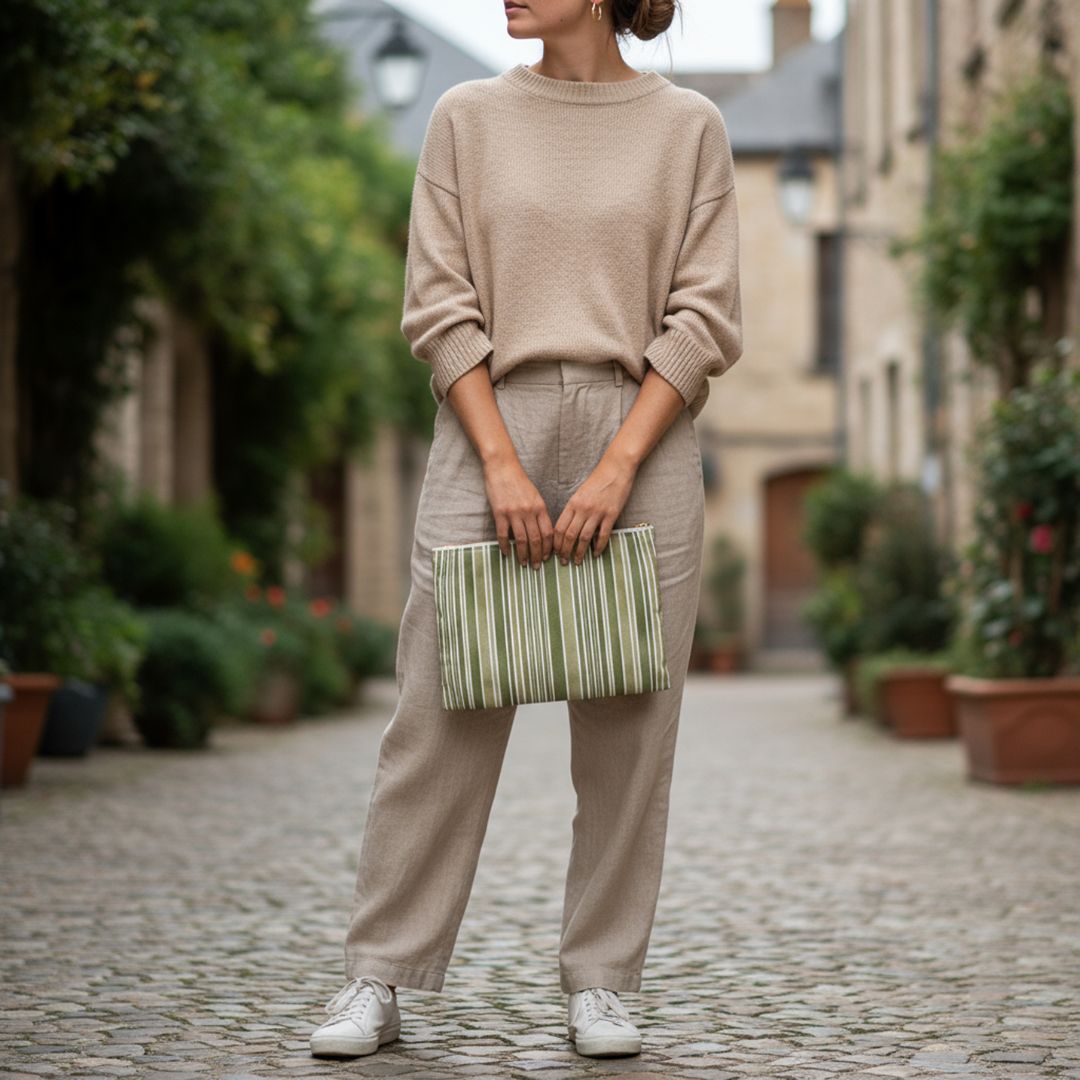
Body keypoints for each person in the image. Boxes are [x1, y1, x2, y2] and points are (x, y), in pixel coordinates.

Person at [309, 0, 743, 1061]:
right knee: (437, 714)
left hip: (641, 428)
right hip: (485, 422)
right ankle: (380, 976)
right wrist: (502, 461)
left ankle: (603, 980)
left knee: (630, 725)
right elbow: (438, 302)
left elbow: (704, 317)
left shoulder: (689, 127)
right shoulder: (465, 116)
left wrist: (617, 466)